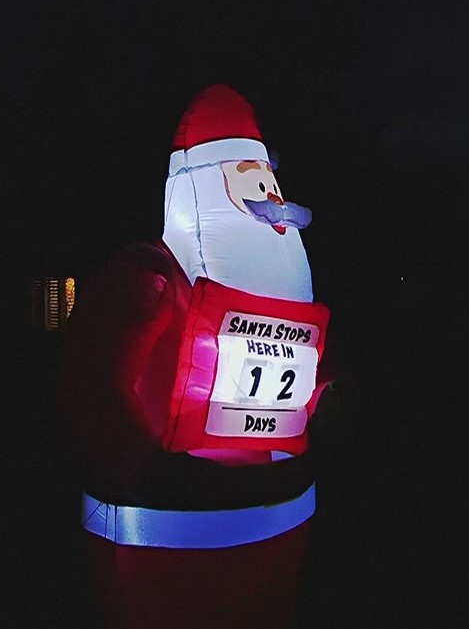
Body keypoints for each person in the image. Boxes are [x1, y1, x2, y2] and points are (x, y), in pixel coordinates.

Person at [58, 84, 333, 629]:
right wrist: (147, 467)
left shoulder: (286, 296)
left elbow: (295, 381)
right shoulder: (150, 279)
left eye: (268, 182)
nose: (271, 203)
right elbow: (90, 381)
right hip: (172, 553)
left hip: (283, 534)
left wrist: (329, 400)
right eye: (246, 181)